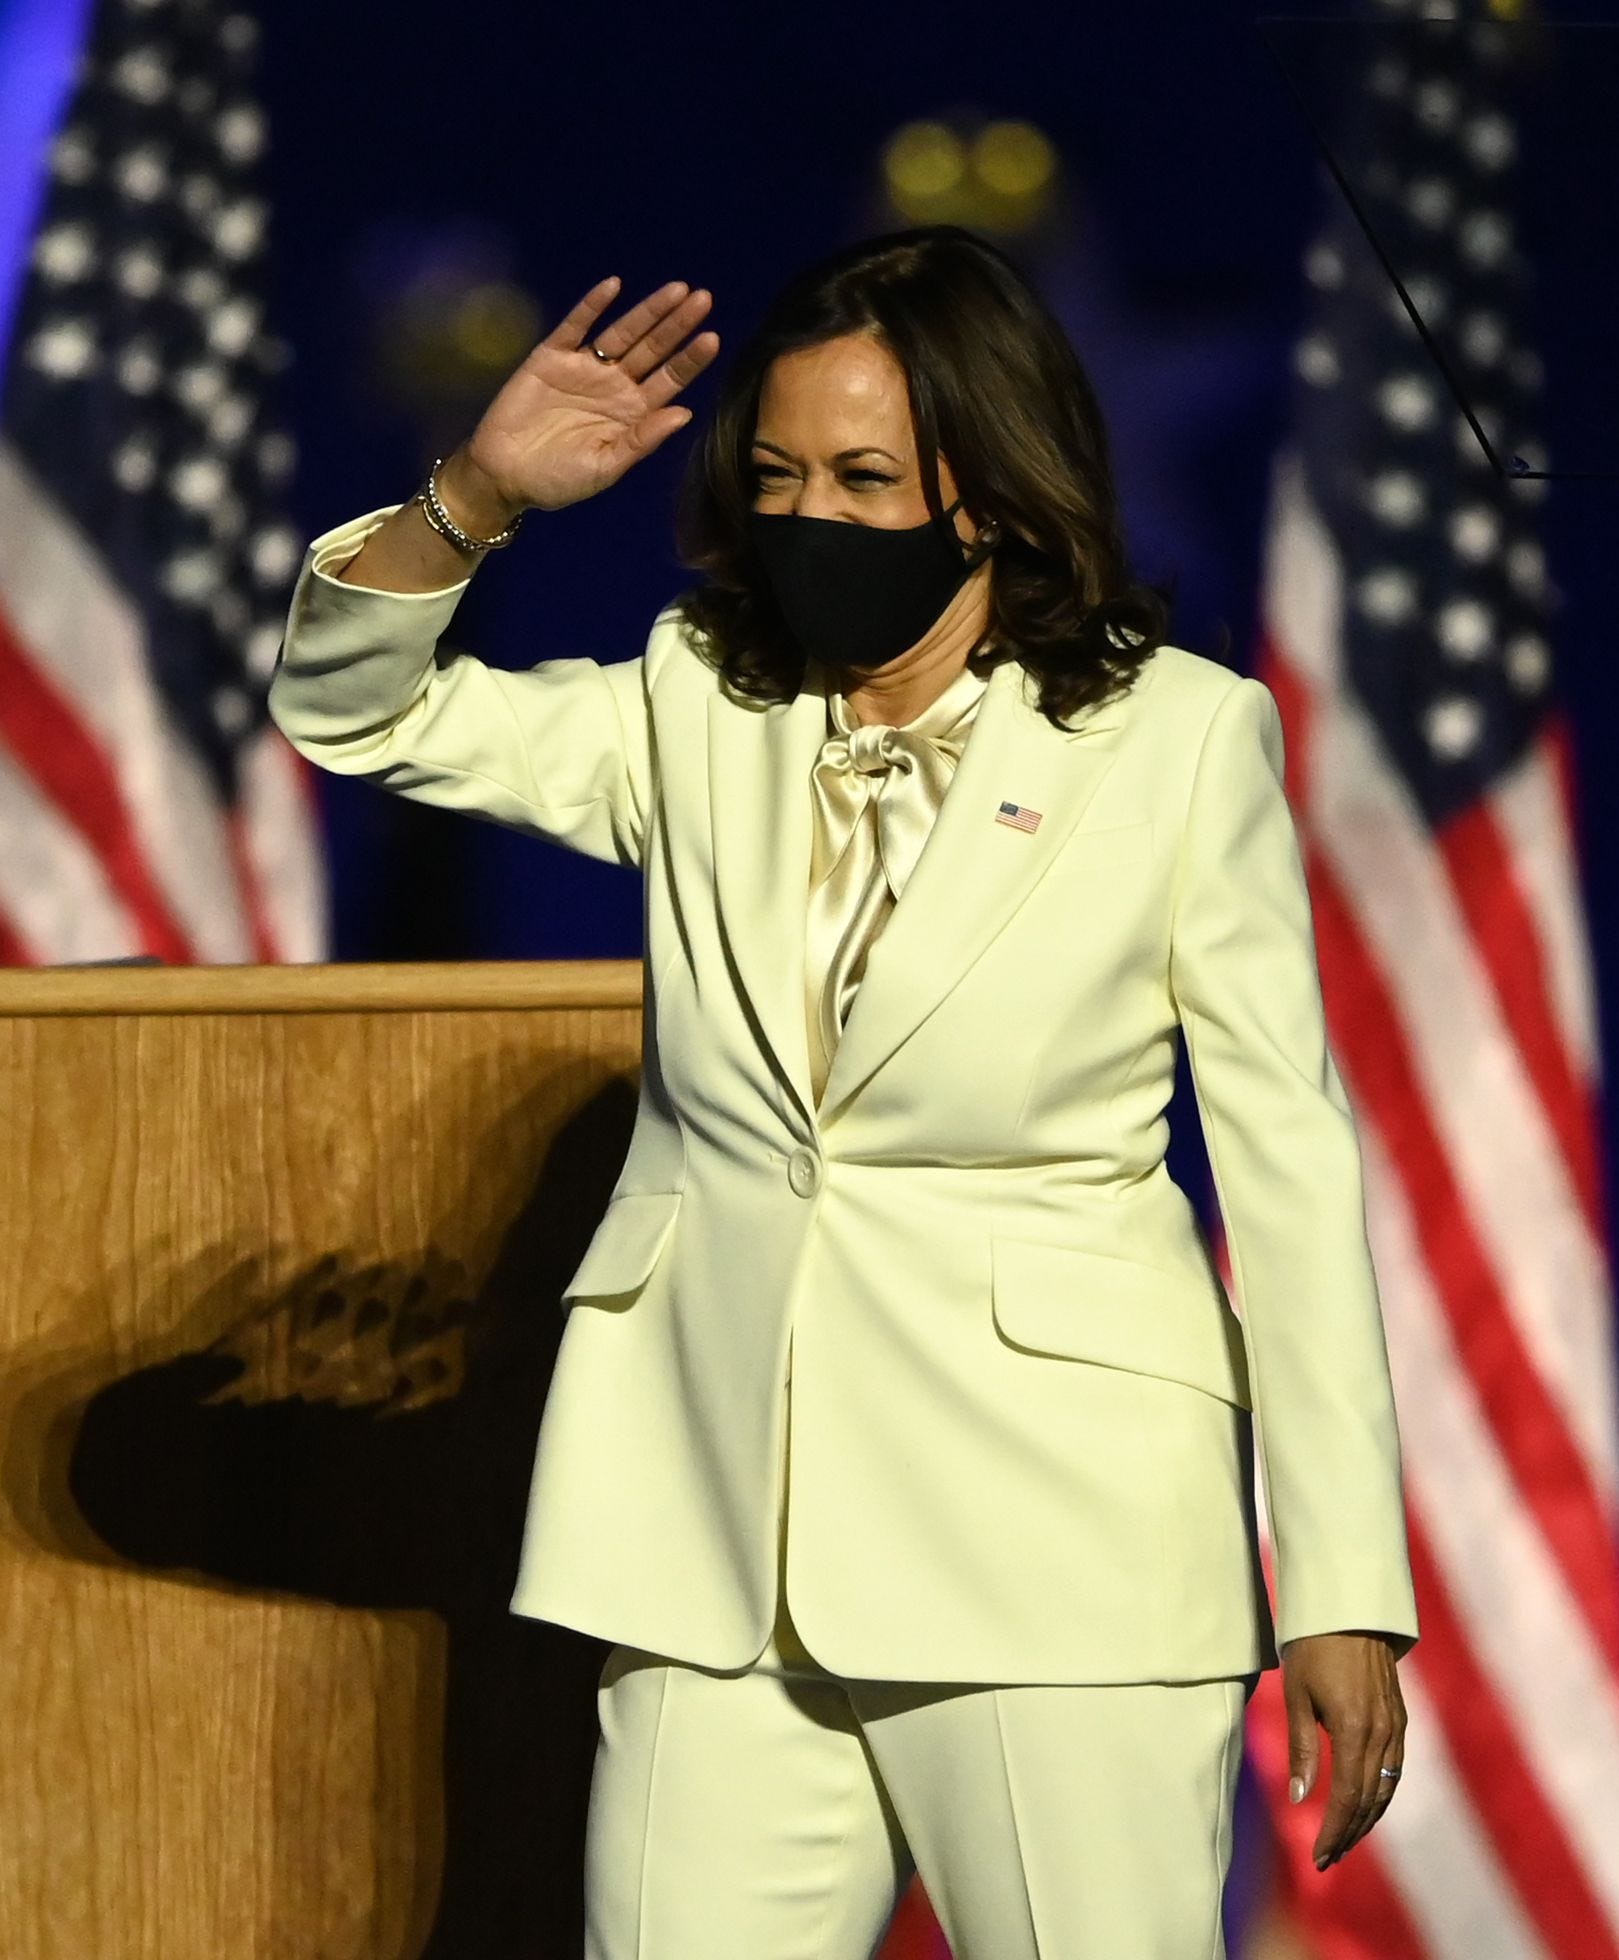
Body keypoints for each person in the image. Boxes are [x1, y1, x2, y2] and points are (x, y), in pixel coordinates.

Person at [270, 225, 1416, 1960]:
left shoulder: (1180, 741)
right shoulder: (693, 702)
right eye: (783, 475)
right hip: (708, 1546)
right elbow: (357, 717)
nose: (813, 517)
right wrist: (475, 499)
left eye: (866, 478)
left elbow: (1288, 1171)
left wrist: (1339, 1584)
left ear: (992, 494)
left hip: (1058, 1553)